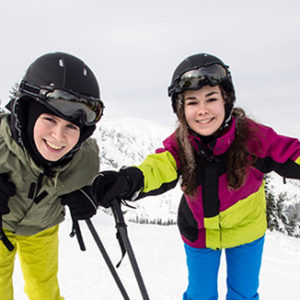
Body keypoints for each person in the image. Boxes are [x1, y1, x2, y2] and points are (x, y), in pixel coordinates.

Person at [92, 53, 300, 300]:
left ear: (226, 100)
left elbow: (290, 153)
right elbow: (159, 167)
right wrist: (130, 179)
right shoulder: (181, 145)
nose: (202, 111)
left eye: (211, 99)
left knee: (243, 294)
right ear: (181, 109)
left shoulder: (253, 138)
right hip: (199, 231)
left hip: (247, 230)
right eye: (192, 102)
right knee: (200, 295)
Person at [0, 52, 104, 300]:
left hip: (42, 226)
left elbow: (85, 180)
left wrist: (85, 192)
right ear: (26, 113)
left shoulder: (85, 157)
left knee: (45, 291)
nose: (58, 137)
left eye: (71, 127)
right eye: (49, 119)